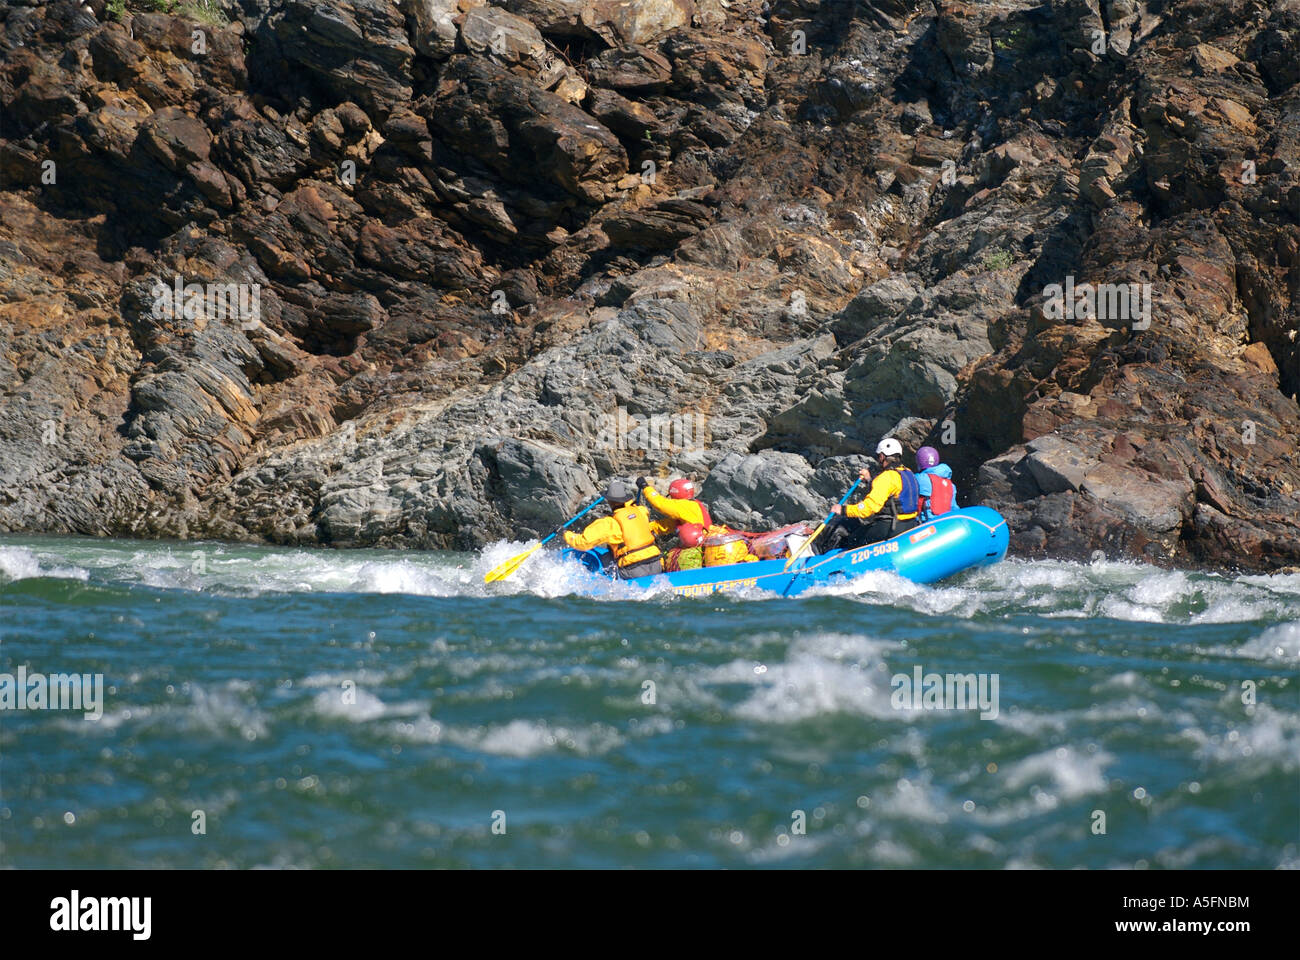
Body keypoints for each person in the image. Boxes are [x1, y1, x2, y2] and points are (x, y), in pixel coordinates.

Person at [820, 437, 921, 551]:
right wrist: (869, 480)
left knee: (851, 540)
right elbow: (891, 490)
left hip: (890, 528)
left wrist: (843, 510)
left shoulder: (886, 477)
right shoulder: (908, 472)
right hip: (910, 524)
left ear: (882, 456)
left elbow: (868, 508)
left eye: (879, 456)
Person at [563, 479, 663, 578]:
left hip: (633, 569)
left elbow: (583, 543)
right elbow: (634, 511)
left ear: (609, 501)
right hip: (656, 563)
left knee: (605, 561)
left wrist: (564, 533)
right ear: (625, 499)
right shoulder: (640, 511)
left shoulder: (609, 523)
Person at [637, 476, 712, 543]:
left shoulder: (683, 505)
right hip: (704, 540)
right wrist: (648, 528)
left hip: (697, 541)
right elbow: (670, 524)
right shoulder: (694, 505)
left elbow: (660, 503)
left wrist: (645, 487)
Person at [915, 445, 958, 520]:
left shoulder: (919, 478)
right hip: (946, 522)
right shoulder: (950, 484)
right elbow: (954, 507)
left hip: (926, 523)